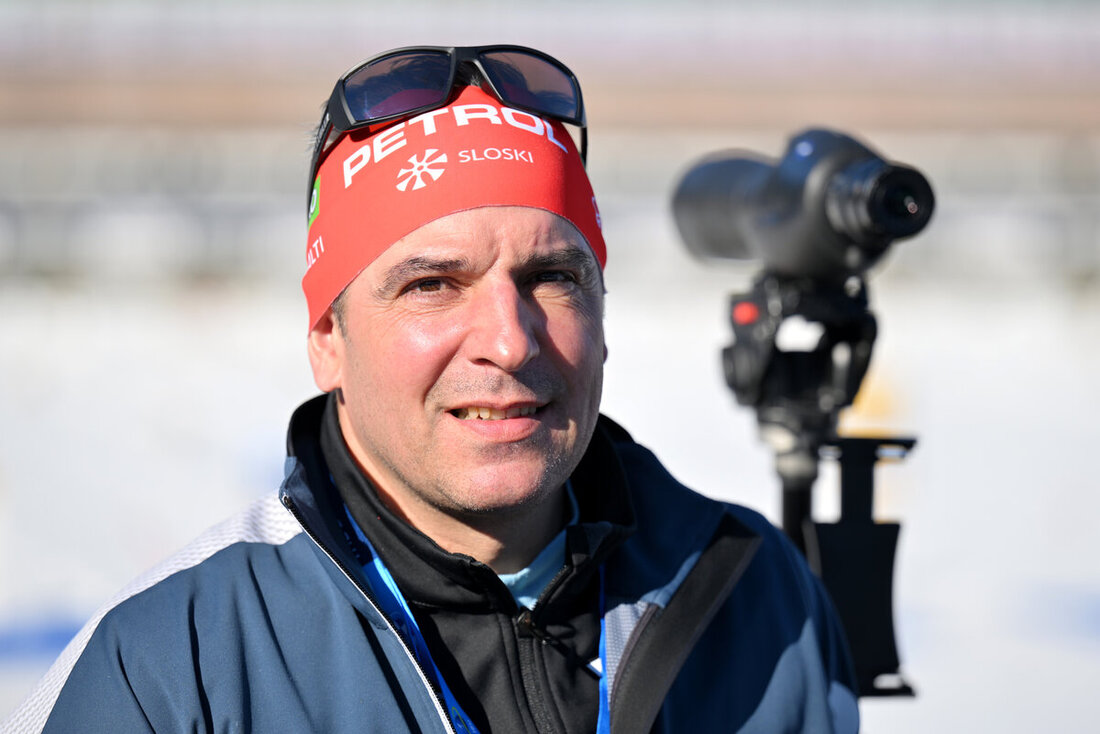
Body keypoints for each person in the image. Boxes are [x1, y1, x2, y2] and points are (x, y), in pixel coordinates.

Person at [5, 45, 860, 733]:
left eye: (552, 277)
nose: (508, 340)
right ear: (328, 341)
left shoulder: (753, 597)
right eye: (433, 285)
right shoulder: (171, 666)